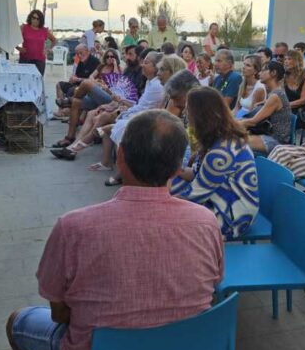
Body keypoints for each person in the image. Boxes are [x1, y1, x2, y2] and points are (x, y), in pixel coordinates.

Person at [7, 110, 223, 350]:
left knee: (17, 323)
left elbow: (58, 313)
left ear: (120, 156)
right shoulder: (206, 222)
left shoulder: (74, 227)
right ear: (178, 168)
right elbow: (211, 287)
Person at [172, 87, 259, 239]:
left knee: (165, 209)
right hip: (225, 199)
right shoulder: (220, 138)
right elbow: (198, 174)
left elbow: (193, 196)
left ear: (201, 115)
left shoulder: (220, 154)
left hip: (232, 219)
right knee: (170, 180)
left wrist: (155, 202)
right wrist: (171, 169)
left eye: (188, 110)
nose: (185, 114)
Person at [94, 52, 169, 183]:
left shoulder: (157, 85)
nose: (142, 65)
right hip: (139, 114)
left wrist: (123, 111)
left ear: (156, 67)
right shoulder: (150, 82)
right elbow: (140, 105)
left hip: (147, 120)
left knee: (111, 123)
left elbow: (143, 109)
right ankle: (99, 156)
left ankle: (81, 144)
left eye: (146, 63)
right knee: (100, 116)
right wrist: (121, 105)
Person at [52, 50, 137, 152]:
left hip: (112, 97)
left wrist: (114, 66)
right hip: (103, 93)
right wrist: (98, 82)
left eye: (112, 57)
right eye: (108, 57)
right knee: (77, 102)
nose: (110, 58)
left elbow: (117, 84)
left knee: (86, 84)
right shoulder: (102, 67)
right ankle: (70, 138)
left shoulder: (120, 69)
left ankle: (69, 101)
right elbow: (91, 76)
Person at [242, 60, 293, 155]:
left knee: (237, 141)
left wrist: (232, 124)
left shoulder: (275, 95)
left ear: (273, 73)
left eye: (263, 70)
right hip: (270, 135)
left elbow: (253, 122)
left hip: (277, 142)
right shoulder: (275, 93)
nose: (260, 73)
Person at [54, 45, 100, 115]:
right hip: (77, 84)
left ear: (87, 51)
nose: (79, 55)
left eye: (81, 53)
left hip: (85, 87)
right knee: (59, 85)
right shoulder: (80, 61)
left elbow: (94, 80)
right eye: (77, 54)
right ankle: (61, 110)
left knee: (72, 90)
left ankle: (68, 110)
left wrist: (78, 79)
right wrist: (73, 78)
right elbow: (76, 75)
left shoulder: (95, 62)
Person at [19, 10, 57, 75]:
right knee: (24, 81)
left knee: (37, 82)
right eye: (33, 18)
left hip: (39, 61)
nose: (35, 20)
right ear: (30, 17)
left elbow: (54, 40)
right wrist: (18, 48)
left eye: (38, 19)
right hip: (25, 59)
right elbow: (13, 38)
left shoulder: (44, 30)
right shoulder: (24, 28)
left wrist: (48, 50)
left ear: (41, 20)